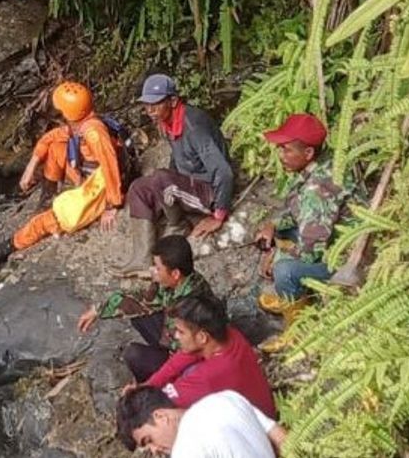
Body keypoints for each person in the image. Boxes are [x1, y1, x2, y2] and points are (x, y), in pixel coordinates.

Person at [0, 81, 123, 269]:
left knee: (42, 224)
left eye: (61, 111)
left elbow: (110, 165)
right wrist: (30, 168)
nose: (58, 114)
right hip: (86, 174)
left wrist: (112, 205)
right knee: (55, 149)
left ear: (70, 112)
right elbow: (48, 139)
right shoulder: (81, 123)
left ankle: (0, 252)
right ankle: (46, 200)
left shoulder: (94, 133)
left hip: (96, 186)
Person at [252, 113, 357, 343]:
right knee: (274, 235)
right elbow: (298, 212)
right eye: (280, 149)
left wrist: (279, 255)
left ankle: (297, 326)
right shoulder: (318, 166)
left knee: (284, 271)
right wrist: (273, 225)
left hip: (342, 257)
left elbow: (312, 251)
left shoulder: (317, 188)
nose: (281, 155)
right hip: (327, 233)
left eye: (287, 150)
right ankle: (290, 296)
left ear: (308, 153)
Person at [118, 73, 235, 276]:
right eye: (146, 105)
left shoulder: (194, 125)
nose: (150, 111)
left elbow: (224, 171)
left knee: (162, 178)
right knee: (138, 187)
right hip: (187, 185)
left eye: (155, 104)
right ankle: (141, 259)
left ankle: (178, 225)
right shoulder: (167, 122)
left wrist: (219, 215)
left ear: (173, 101)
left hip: (209, 192)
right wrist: (162, 188)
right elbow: (176, 159)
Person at [76, 236, 214, 382]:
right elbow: (145, 299)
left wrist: (156, 381)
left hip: (188, 360)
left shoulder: (190, 305)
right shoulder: (180, 281)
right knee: (135, 313)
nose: (152, 270)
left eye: (158, 268)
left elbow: (186, 353)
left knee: (133, 354)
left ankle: (151, 392)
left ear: (175, 274)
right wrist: (97, 310)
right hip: (173, 339)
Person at [135, 295, 276, 418]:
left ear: (202, 337)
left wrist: (137, 397)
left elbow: (163, 402)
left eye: (181, 332)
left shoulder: (208, 377)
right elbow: (179, 360)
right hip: (259, 406)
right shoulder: (228, 334)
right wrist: (146, 386)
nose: (176, 336)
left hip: (256, 430)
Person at [116, 387, 286, 458]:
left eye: (148, 440)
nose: (154, 450)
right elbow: (282, 438)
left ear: (160, 416)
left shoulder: (185, 451)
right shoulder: (226, 397)